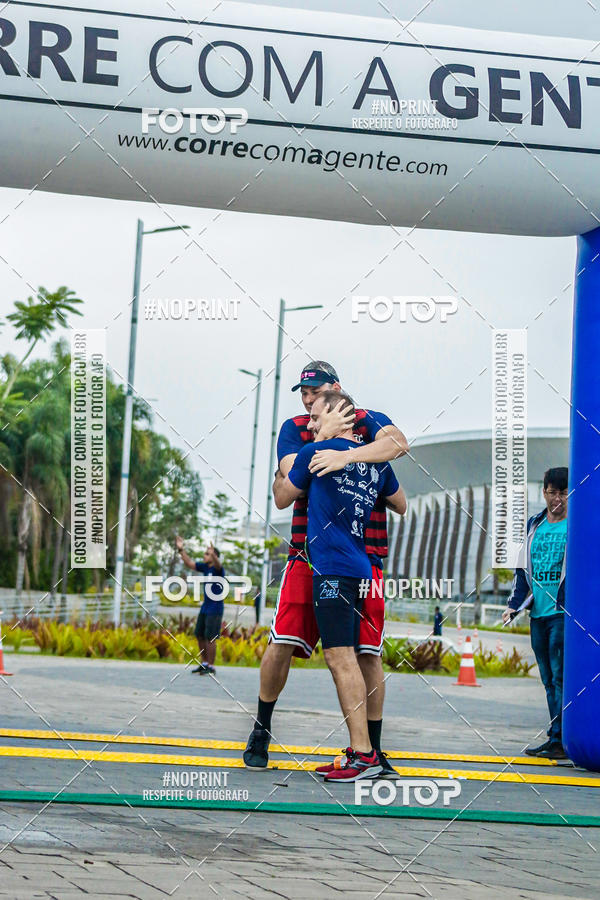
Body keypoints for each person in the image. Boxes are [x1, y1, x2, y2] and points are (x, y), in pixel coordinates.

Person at [243, 361, 408, 773]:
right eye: (303, 392)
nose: (307, 399)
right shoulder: (296, 428)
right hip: (306, 552)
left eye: (315, 391)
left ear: (336, 388)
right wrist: (324, 441)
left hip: (364, 555)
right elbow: (288, 478)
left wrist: (345, 455)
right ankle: (261, 729)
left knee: (365, 652)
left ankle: (371, 749)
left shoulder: (366, 420)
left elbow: (398, 444)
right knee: (282, 642)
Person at [502, 467, 568, 760]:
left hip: (562, 613)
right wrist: (514, 604)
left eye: (564, 492)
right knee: (547, 679)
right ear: (543, 492)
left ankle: (562, 738)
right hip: (537, 613)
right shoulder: (534, 525)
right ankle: (557, 735)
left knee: (560, 678)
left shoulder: (576, 525)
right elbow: (522, 571)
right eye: (552, 492)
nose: (558, 498)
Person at [176, 537, 225, 675]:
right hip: (205, 607)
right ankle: (204, 663)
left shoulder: (218, 570)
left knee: (210, 637)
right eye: (206, 553)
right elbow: (189, 563)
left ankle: (211, 666)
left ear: (214, 556)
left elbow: (218, 564)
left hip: (215, 608)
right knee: (200, 635)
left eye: (207, 554)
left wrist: (214, 556)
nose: (204, 555)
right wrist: (181, 549)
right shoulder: (205, 568)